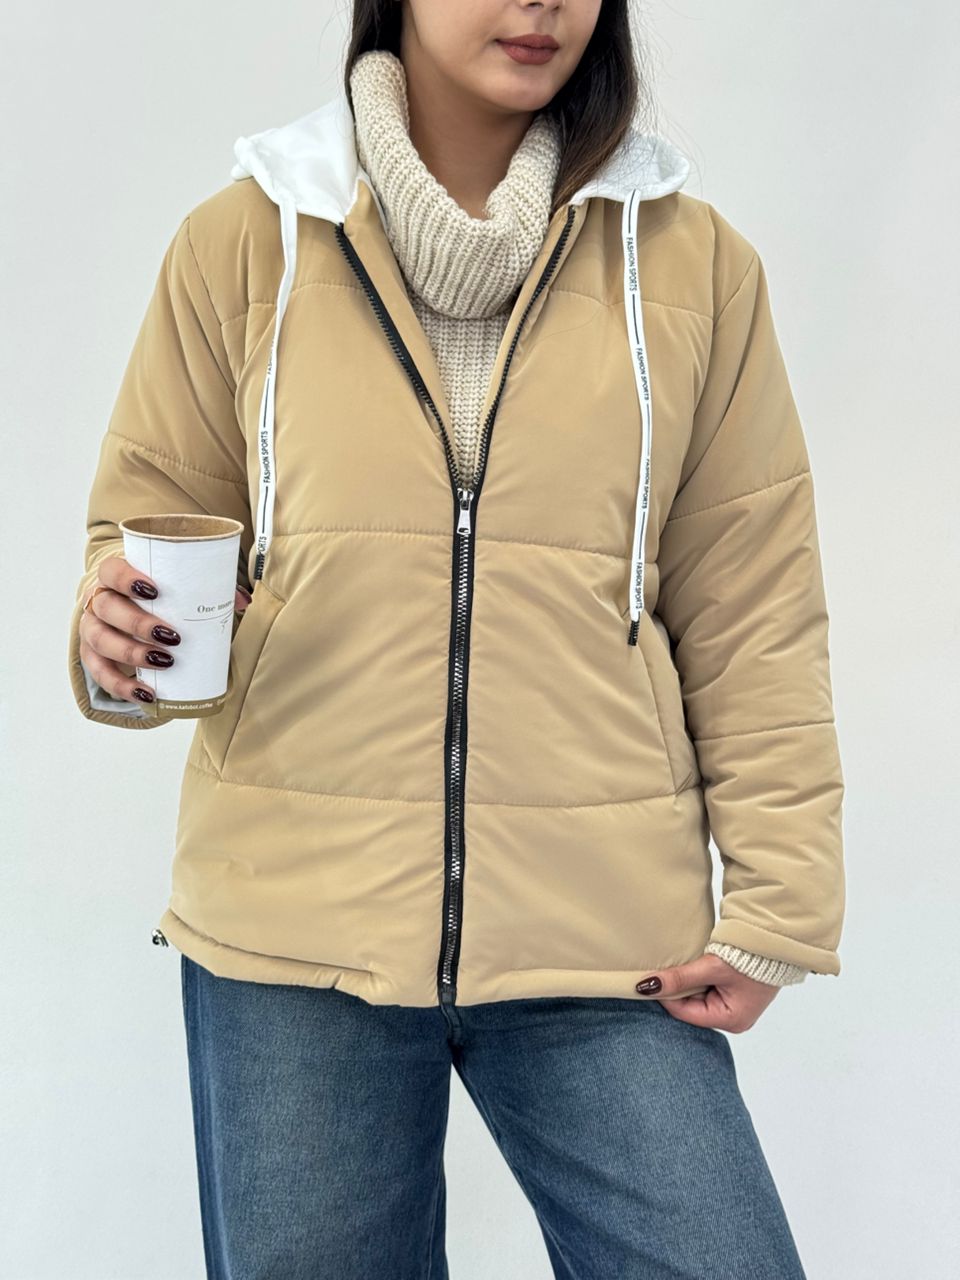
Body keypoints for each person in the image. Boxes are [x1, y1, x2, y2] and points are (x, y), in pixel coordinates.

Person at [67, 2, 845, 1276]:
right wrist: (116, 645)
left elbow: (754, 605)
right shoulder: (242, 241)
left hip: (610, 934)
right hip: (292, 931)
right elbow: (145, 538)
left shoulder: (693, 266)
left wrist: (780, 905)